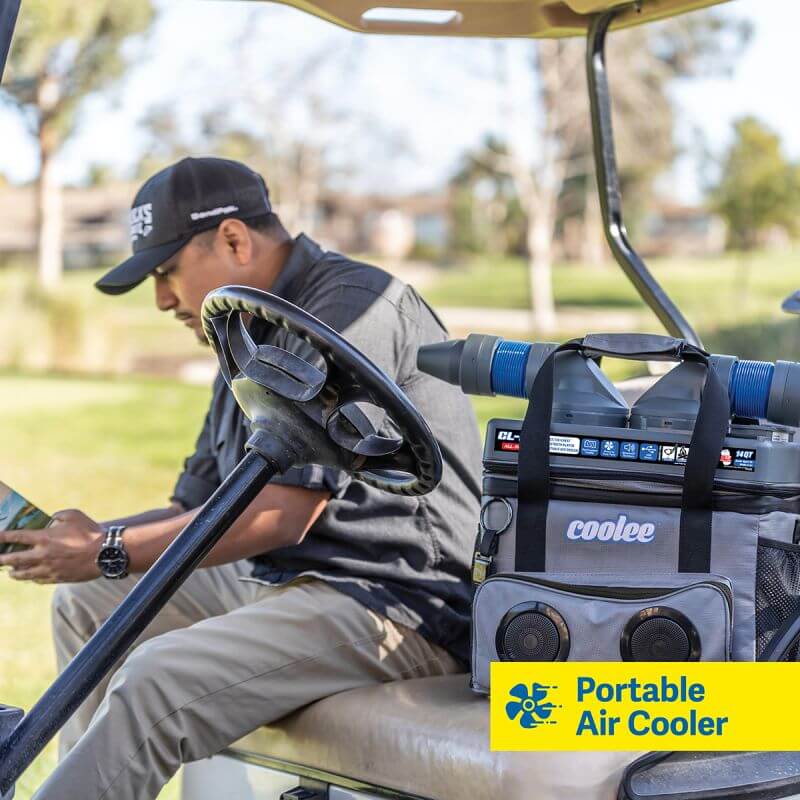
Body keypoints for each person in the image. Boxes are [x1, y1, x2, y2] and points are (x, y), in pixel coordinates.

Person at [0, 157, 482, 800]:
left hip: (390, 601)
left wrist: (107, 550)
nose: (164, 299)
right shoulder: (244, 335)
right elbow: (198, 506)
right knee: (87, 602)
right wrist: (86, 541)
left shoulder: (350, 303)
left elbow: (282, 512)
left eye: (167, 272)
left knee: (156, 678)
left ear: (233, 239)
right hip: (285, 581)